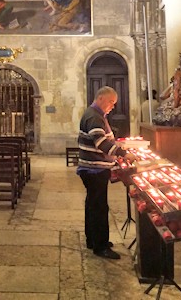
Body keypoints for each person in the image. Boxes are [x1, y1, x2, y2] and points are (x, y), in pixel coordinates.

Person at [77, 86, 136, 259]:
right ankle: (100, 246)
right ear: (101, 98)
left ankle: (93, 239)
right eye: (111, 102)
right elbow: (101, 143)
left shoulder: (95, 114)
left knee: (92, 205)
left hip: (93, 168)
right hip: (94, 169)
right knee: (99, 207)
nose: (113, 106)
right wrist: (124, 154)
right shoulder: (94, 117)